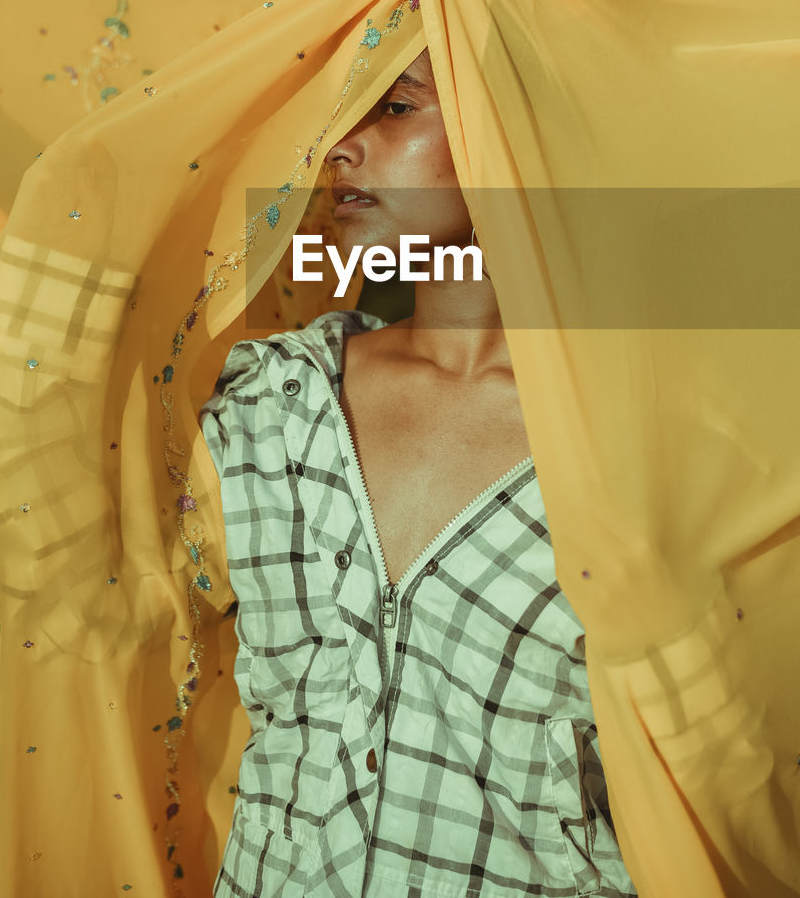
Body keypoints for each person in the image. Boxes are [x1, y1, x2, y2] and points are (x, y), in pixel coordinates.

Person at [199, 44, 638, 897]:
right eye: (344, 111)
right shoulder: (271, 400)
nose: (341, 146)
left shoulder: (639, 441)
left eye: (394, 107)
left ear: (516, 133)